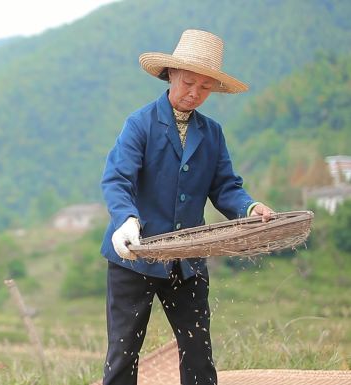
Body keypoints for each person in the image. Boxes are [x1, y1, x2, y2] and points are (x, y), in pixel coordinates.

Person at [99, 29, 275, 385]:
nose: (194, 93)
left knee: (198, 351)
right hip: (135, 255)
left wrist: (250, 208)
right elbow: (117, 180)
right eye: (188, 83)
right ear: (170, 76)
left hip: (188, 261)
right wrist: (126, 220)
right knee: (124, 352)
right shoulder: (140, 124)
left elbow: (226, 187)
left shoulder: (211, 134)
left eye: (205, 87)